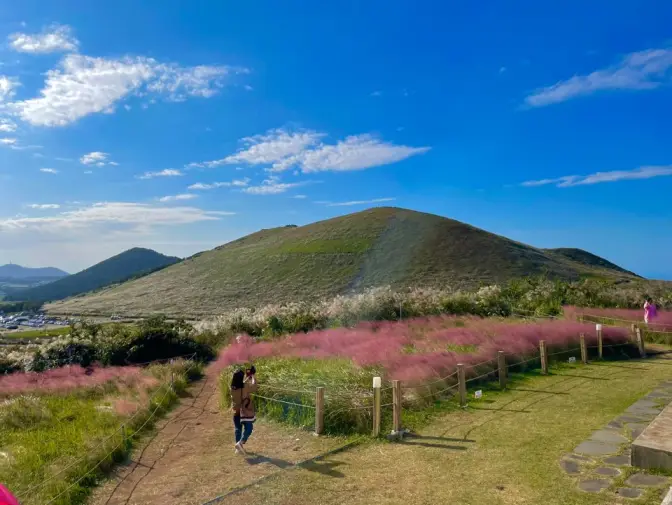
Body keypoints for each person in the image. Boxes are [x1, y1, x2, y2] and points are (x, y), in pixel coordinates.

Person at [230, 365, 258, 455]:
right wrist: (252, 376)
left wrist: (247, 377)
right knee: (249, 428)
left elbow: (241, 384)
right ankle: (240, 443)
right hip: (244, 411)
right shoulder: (245, 387)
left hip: (236, 411)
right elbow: (254, 386)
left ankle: (238, 449)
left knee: (238, 429)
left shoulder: (232, 388)